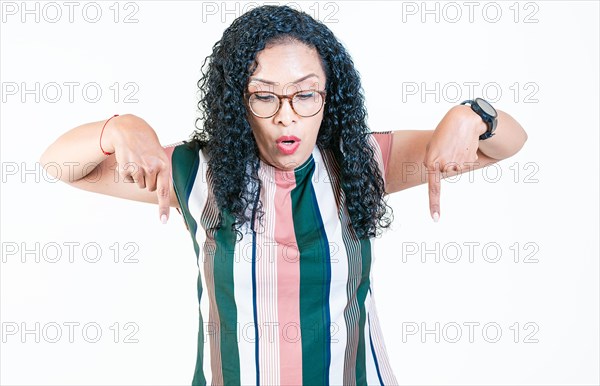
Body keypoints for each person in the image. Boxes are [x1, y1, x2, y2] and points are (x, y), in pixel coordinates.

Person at [39, 5, 528, 385]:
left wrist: (473, 116)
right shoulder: (195, 171)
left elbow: (507, 144)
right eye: (264, 95)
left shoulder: (362, 160)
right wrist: (117, 128)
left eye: (306, 93)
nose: (286, 114)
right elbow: (62, 164)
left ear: (328, 98)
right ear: (239, 101)